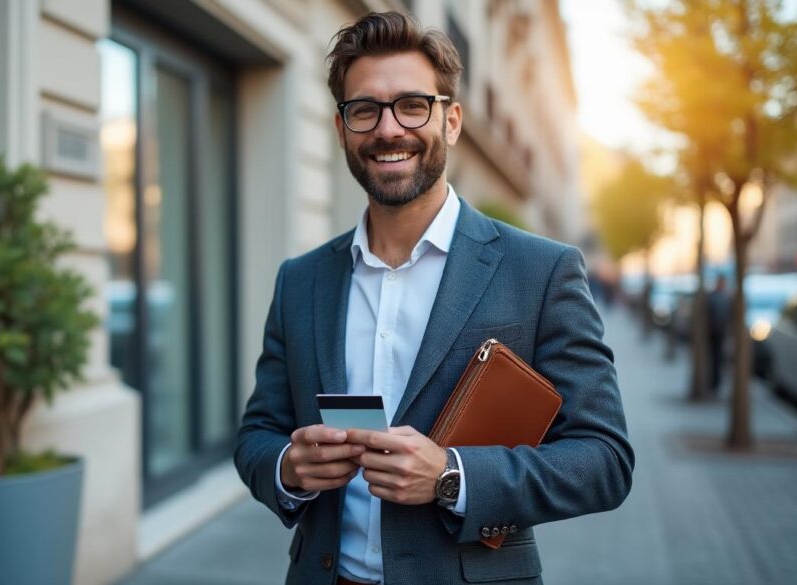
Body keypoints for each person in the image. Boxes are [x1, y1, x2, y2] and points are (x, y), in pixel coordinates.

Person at [234, 12, 634, 585]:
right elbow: (257, 434)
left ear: (451, 121)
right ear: (341, 128)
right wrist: (288, 468)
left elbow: (604, 459)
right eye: (365, 110)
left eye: (412, 106)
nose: (388, 129)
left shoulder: (542, 271)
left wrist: (452, 475)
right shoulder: (299, 280)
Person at [706, 274, 732, 393]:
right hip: (713, 332)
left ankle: (716, 382)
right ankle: (714, 382)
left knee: (719, 358)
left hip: (721, 332)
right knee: (714, 358)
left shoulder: (726, 297)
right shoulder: (714, 297)